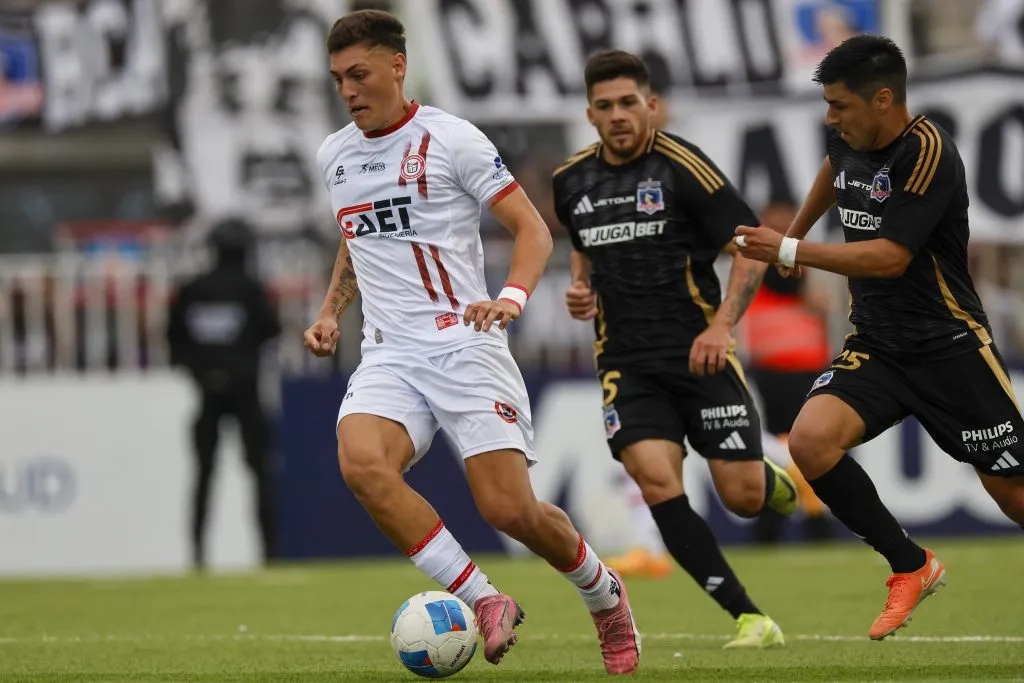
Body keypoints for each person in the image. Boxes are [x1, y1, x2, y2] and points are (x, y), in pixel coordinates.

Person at [302, 11, 639, 675]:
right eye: (338, 78)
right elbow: (356, 236)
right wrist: (330, 311)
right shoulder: (334, 154)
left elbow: (532, 229)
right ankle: (483, 598)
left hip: (465, 342)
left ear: (398, 66)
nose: (348, 90)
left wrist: (510, 298)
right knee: (362, 463)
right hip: (389, 353)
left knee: (509, 509)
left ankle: (604, 594)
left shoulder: (451, 139)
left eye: (359, 74)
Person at [734, 35, 1024, 640]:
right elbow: (833, 172)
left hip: (950, 347)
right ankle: (910, 565)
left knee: (1013, 494)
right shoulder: (849, 136)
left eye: (839, 105)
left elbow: (891, 257)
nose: (830, 119)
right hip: (877, 345)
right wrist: (795, 233)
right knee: (811, 442)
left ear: (883, 99)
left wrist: (788, 250)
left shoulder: (928, 152)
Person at [552, 49, 798, 650]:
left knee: (743, 499)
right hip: (626, 364)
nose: (618, 115)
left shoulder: (684, 167)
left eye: (628, 103)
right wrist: (581, 287)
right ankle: (749, 617)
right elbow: (583, 244)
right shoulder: (570, 181)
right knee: (656, 481)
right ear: (590, 114)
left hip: (700, 355)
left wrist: (722, 327)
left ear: (651, 105)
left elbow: (751, 247)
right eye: (605, 106)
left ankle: (765, 475)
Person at [167, 218, 281, 570]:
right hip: (246, 394)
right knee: (260, 473)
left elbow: (174, 342)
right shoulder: (251, 289)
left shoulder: (192, 290)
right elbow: (271, 331)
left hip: (208, 395)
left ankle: (198, 556)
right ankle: (270, 554)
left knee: (204, 474)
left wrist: (206, 373)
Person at [743, 201, 835, 544]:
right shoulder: (767, 266)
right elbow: (787, 284)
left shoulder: (803, 265)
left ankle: (782, 520)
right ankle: (809, 519)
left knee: (799, 447)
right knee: (785, 447)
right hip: (775, 371)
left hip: (810, 370)